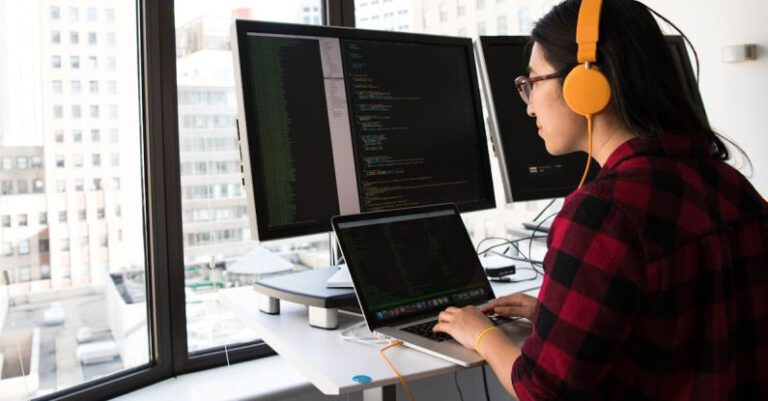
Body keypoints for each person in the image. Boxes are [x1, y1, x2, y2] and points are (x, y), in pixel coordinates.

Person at [432, 0, 768, 400]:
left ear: (587, 85)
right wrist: (555, 319)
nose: (529, 106)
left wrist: (482, 334)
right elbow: (692, 328)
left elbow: (542, 391)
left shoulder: (604, 213)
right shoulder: (732, 184)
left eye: (532, 83)